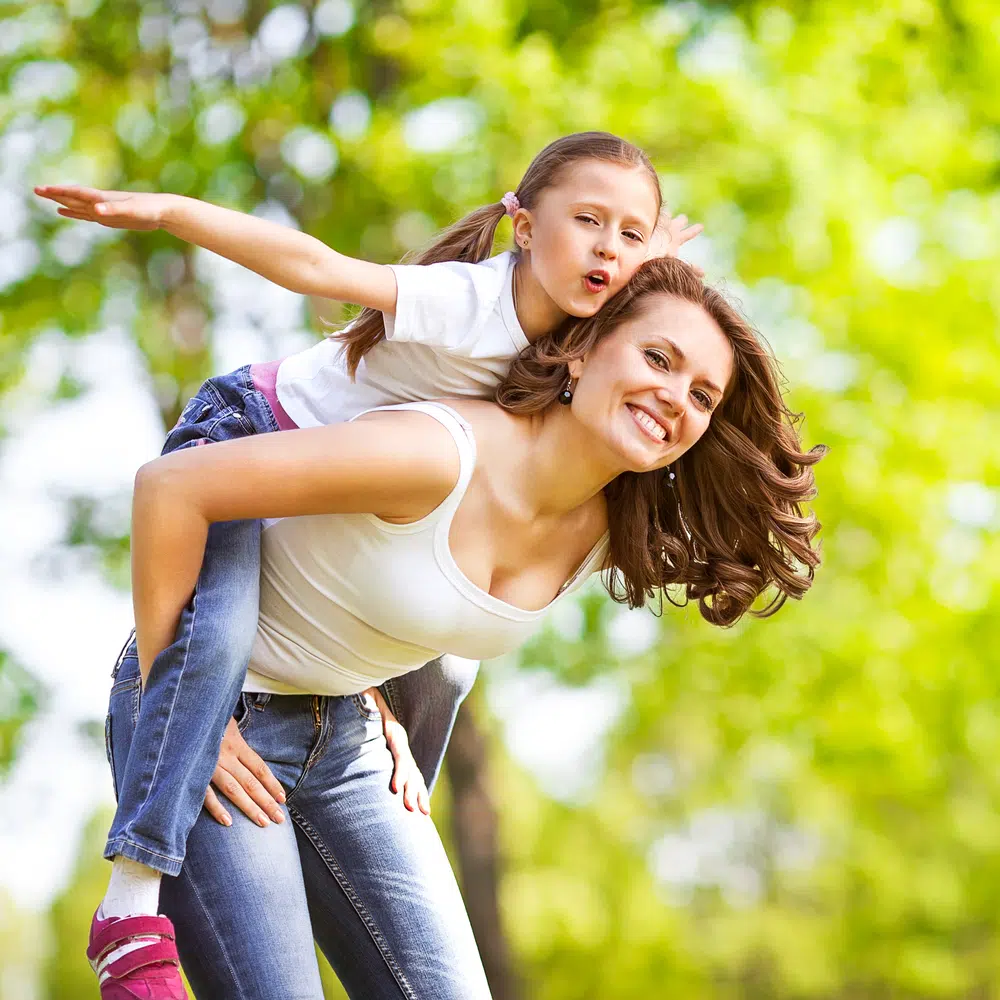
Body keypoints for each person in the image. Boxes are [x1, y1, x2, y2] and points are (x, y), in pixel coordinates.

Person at [36, 132, 702, 997]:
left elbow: (654, 324)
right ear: (522, 226)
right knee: (219, 636)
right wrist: (169, 212)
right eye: (587, 222)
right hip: (256, 431)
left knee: (452, 658)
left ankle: (370, 775)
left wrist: (658, 269)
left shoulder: (584, 354)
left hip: (338, 560)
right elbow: (312, 264)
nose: (609, 248)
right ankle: (131, 906)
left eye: (630, 234)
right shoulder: (470, 303)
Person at [98, 255, 825, 998]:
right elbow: (173, 488)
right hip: (219, 716)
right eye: (657, 357)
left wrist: (382, 698)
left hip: (349, 738)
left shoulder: (616, 526)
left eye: (702, 394)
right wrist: (183, 717)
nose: (674, 397)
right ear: (580, 349)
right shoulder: (437, 452)